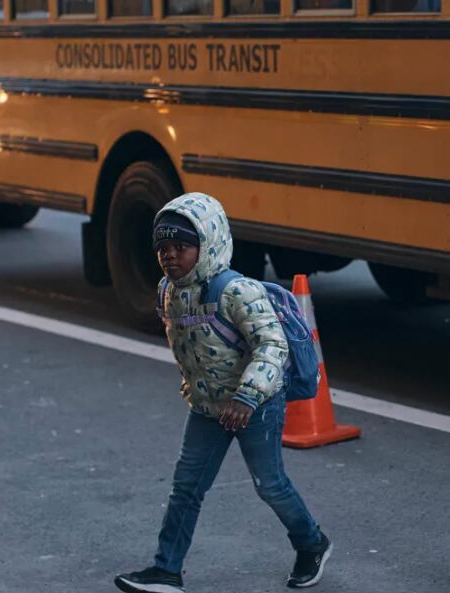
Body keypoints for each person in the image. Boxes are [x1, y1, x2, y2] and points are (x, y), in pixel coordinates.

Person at [114, 193, 330, 593]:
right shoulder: (169, 290)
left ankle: (312, 543)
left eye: (181, 247)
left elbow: (272, 345)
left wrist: (246, 397)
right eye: (163, 248)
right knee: (186, 488)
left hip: (256, 404)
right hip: (208, 407)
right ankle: (166, 570)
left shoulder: (236, 291)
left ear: (208, 245)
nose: (170, 256)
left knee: (270, 484)